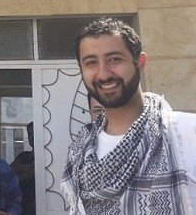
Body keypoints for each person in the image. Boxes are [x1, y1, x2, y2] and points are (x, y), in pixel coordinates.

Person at [61, 17, 196, 214]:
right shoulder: (80, 151)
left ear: (140, 63)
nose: (104, 74)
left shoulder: (188, 133)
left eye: (114, 59)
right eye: (91, 63)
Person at [10, 122, 35, 215]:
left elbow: (30, 172)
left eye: (35, 133)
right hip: (22, 206)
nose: (32, 136)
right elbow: (9, 172)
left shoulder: (46, 158)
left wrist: (18, 173)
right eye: (30, 134)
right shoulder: (23, 156)